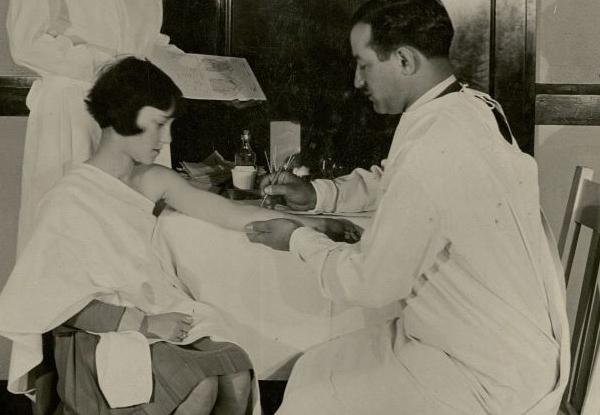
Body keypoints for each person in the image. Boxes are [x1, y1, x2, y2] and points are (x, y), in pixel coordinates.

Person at [246, 1, 569, 414]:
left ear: (403, 59)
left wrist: (298, 239)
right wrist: (318, 195)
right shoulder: (468, 105)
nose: (357, 80)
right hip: (492, 340)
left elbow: (370, 283)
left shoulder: (435, 140)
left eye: (363, 65)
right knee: (313, 366)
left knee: (314, 392)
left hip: (485, 370)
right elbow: (394, 178)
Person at [0, 56, 358, 415]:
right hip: (98, 334)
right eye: (159, 124)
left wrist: (315, 226)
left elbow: (232, 214)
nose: (166, 138)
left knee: (234, 371)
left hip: (156, 313)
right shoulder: (69, 196)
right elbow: (54, 303)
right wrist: (144, 324)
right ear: (125, 114)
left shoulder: (154, 179)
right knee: (199, 386)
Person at [7, 0, 175, 255]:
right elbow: (26, 43)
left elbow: (149, 43)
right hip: (74, 108)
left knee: (132, 231)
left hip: (136, 103)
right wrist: (112, 67)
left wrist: (198, 75)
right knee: (68, 234)